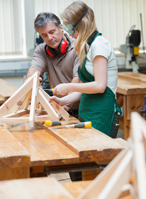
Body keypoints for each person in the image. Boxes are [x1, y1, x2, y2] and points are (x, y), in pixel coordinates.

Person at [50, 1, 121, 138]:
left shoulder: (100, 45)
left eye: (69, 26)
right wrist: (64, 100)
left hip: (102, 116)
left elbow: (100, 86)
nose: (69, 32)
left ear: (81, 24)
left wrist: (68, 86)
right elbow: (83, 88)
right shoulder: (87, 47)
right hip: (88, 113)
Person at [27, 12, 80, 114]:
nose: (49, 38)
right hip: (59, 109)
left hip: (81, 109)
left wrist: (66, 103)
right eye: (44, 35)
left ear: (60, 28)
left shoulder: (78, 47)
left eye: (52, 32)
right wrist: (31, 79)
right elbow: (34, 69)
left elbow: (76, 80)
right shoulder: (41, 50)